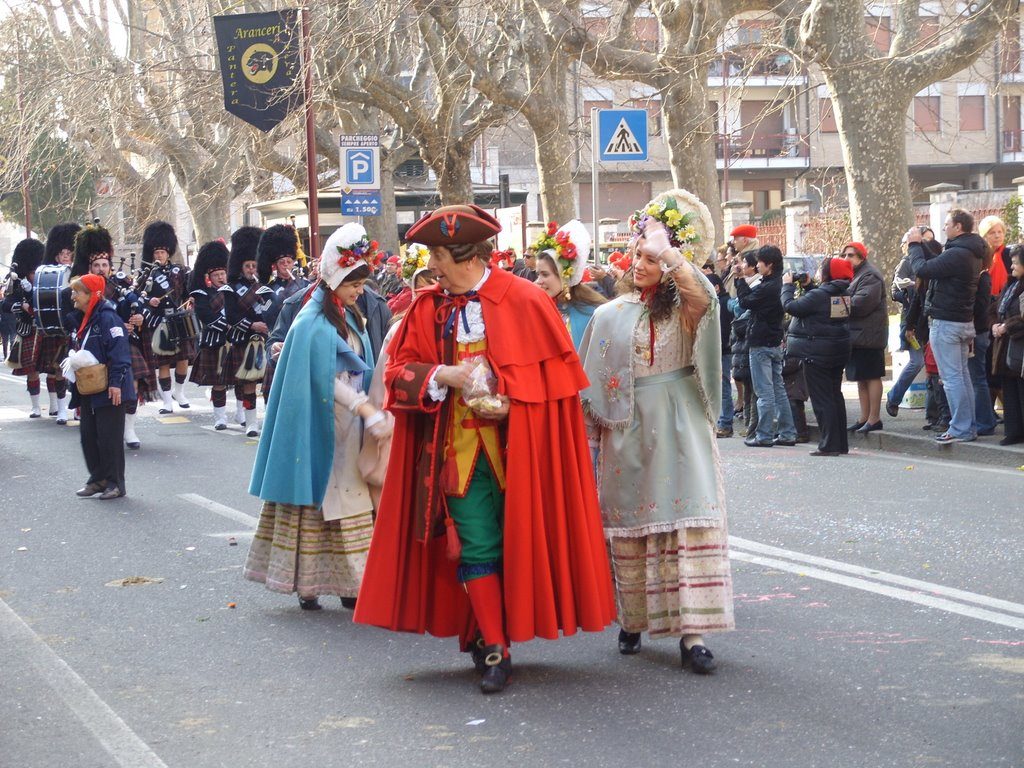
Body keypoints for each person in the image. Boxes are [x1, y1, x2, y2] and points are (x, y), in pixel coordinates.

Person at [354, 203, 615, 695]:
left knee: (518, 544)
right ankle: (496, 646)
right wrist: (441, 375)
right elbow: (395, 376)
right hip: (454, 453)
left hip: (522, 454)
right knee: (476, 542)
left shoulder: (524, 300)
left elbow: (556, 388)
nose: (432, 266)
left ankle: (489, 630)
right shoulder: (427, 307)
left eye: (437, 256)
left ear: (465, 256)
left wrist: (514, 404)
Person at [580, 188, 732, 672]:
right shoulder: (609, 314)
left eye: (651, 257)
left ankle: (694, 634)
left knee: (688, 525)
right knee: (631, 527)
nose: (640, 264)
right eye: (638, 255)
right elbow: (589, 388)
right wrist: (588, 448)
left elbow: (705, 294)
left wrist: (669, 251)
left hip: (681, 425)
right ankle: (633, 619)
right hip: (626, 429)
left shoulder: (691, 307)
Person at [246, 224, 391, 611]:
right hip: (322, 425)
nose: (360, 290)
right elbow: (326, 378)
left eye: (361, 283)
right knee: (323, 502)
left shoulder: (345, 313)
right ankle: (316, 584)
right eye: (353, 283)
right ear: (335, 277)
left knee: (342, 502)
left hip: (346, 428)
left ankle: (341, 584)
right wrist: (365, 409)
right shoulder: (312, 321)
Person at [906, 210, 985, 444]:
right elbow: (937, 261)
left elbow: (923, 269)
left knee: (952, 379)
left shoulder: (958, 254)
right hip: (962, 322)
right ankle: (968, 426)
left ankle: (960, 428)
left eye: (947, 224)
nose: (944, 228)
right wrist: (922, 244)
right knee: (962, 376)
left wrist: (913, 245)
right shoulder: (969, 251)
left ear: (958, 227)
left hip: (947, 323)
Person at [69, 274, 135, 500]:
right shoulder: (82, 319)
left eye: (77, 292)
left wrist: (116, 384)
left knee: (109, 438)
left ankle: (115, 483)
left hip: (110, 387)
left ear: (92, 295)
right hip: (90, 387)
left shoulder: (109, 319)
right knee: (88, 436)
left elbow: (120, 353)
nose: (73, 296)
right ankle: (98, 479)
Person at [782, 257, 853, 455]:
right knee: (835, 396)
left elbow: (791, 307)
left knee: (822, 399)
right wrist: (808, 286)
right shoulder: (843, 292)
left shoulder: (821, 295)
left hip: (817, 351)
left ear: (828, 274)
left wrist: (787, 287)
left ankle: (829, 444)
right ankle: (840, 443)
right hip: (837, 349)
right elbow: (816, 307)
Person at [735, 244, 797, 447]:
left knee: (765, 391)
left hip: (761, 342)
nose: (757, 265)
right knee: (778, 389)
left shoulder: (767, 287)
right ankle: (787, 432)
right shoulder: (777, 284)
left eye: (759, 262)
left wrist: (739, 280)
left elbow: (745, 302)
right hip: (775, 341)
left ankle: (764, 434)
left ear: (769, 265)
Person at [137, 221, 192, 414]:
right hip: (158, 321)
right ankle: (167, 401)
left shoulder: (180, 271)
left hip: (178, 320)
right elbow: (136, 297)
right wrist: (149, 301)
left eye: (162, 252)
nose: (159, 255)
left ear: (168, 253)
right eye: (156, 253)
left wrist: (190, 299)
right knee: (163, 362)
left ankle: (180, 392)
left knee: (183, 358)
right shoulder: (146, 275)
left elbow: (188, 292)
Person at [885, 233, 940, 418]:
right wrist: (907, 294)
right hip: (915, 324)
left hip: (929, 325)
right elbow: (896, 292)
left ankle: (932, 411)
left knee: (933, 369)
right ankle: (894, 397)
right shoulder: (908, 263)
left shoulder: (936, 269)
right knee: (918, 362)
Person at [224, 226, 272, 434]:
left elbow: (273, 310)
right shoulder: (230, 288)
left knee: (269, 385)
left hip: (267, 340)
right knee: (249, 384)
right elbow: (231, 315)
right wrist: (252, 325)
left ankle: (269, 422)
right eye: (247, 265)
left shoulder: (265, 286)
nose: (252, 269)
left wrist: (268, 323)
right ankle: (251, 422)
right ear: (240, 266)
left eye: (254, 265)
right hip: (245, 339)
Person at [532, 220, 606, 349]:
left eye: (545, 274)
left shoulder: (590, 314)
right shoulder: (537, 307)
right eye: (537, 274)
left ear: (564, 277)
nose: (538, 281)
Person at [841, 241, 888, 434]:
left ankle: (874, 418)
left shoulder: (870, 275)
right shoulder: (855, 275)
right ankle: (864, 417)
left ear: (861, 256)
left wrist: (838, 303)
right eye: (844, 255)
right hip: (858, 335)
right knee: (861, 378)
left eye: (851, 255)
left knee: (871, 376)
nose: (846, 259)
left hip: (869, 335)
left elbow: (861, 303)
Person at [37, 222, 81, 422]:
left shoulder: (79, 274)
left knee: (81, 368)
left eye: (68, 253)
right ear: (56, 255)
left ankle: (78, 408)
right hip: (58, 326)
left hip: (78, 326)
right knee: (59, 369)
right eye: (62, 253)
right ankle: (62, 409)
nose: (65, 256)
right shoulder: (49, 274)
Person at [187, 241, 232, 430]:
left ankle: (241, 413)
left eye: (223, 274)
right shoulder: (201, 294)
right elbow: (206, 316)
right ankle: (220, 417)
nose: (221, 278)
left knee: (241, 381)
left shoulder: (234, 291)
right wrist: (230, 326)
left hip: (235, 341)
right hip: (214, 342)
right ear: (209, 277)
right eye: (217, 275)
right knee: (219, 382)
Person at [2, 239, 46, 417]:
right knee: (32, 370)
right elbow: (5, 304)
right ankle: (35, 407)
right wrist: (23, 306)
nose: (34, 275)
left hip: (48, 329)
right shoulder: (17, 283)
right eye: (32, 272)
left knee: (54, 369)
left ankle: (56, 405)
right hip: (28, 327)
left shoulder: (48, 280)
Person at [991, 248, 1024, 445]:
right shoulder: (1011, 285)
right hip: (1006, 346)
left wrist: (1006, 327)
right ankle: (1013, 431)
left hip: (1018, 343)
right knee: (1010, 388)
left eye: (1016, 263)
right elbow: (996, 309)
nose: (1012, 266)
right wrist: (994, 324)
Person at [969, 246, 998, 436]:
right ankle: (985, 419)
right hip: (977, 331)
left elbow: (980, 307)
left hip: (978, 332)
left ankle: (985, 422)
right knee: (976, 377)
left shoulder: (983, 278)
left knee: (978, 378)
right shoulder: (981, 277)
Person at [708, 272, 735, 437]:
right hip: (719, 349)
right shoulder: (717, 302)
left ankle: (725, 423)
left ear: (716, 287)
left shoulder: (723, 303)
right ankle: (720, 421)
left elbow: (724, 330)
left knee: (723, 387)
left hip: (723, 350)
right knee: (719, 387)